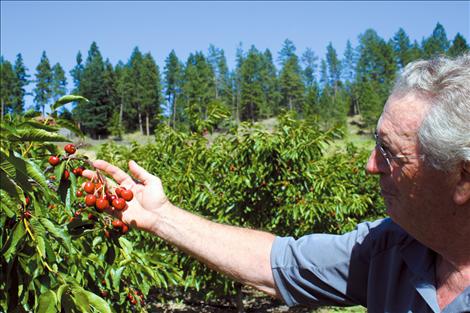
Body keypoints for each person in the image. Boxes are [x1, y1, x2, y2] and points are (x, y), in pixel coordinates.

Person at [83, 53, 470, 312]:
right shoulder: (388, 250)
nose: (371, 166)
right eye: (375, 144)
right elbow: (281, 264)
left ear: (462, 179)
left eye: (390, 154)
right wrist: (161, 216)